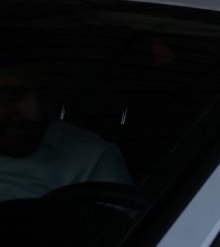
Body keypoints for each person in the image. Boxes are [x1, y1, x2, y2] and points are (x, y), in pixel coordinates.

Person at [0, 65, 132, 201]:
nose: (34, 113)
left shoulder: (93, 157)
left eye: (45, 95)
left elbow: (122, 218)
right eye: (11, 97)